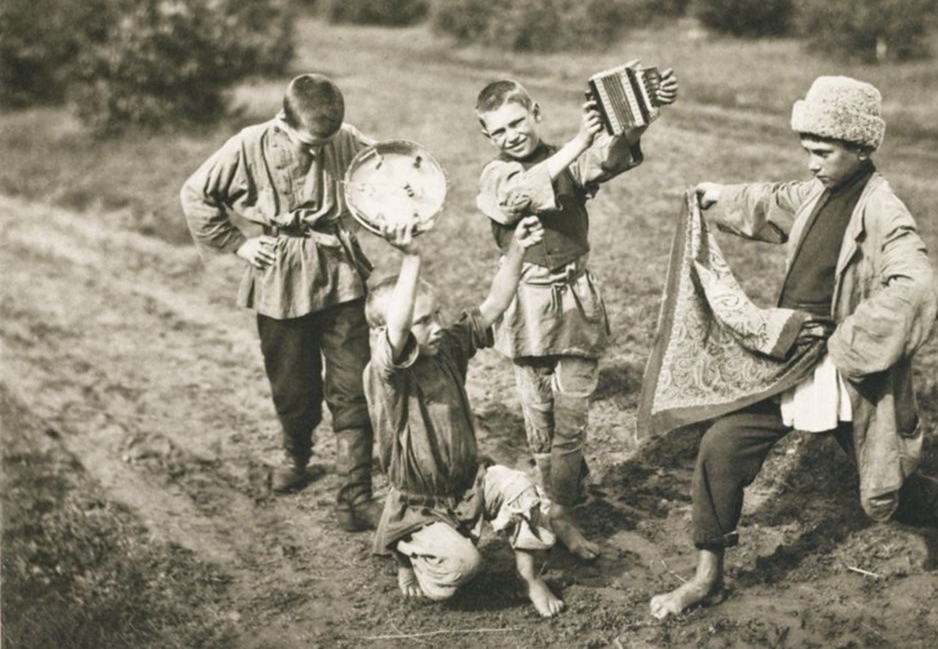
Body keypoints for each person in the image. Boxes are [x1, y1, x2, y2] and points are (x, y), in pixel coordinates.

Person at [650, 75, 938, 619]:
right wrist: (718, 198)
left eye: (823, 152)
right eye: (806, 150)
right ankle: (707, 575)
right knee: (722, 446)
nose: (811, 162)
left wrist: (845, 339)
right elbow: (773, 201)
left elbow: (916, 286)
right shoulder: (819, 190)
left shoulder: (884, 210)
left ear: (860, 148)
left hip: (845, 371)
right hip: (791, 363)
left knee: (891, 494)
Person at [475, 73, 678, 559]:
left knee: (572, 418)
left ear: (535, 112)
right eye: (499, 131)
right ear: (487, 137)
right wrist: (578, 141)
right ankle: (555, 493)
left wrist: (636, 123)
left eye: (518, 122)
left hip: (575, 302)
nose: (512, 136)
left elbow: (607, 160)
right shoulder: (495, 174)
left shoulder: (566, 159)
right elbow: (517, 197)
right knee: (538, 414)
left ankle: (561, 511)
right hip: (526, 306)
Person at [180, 73, 381, 532]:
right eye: (310, 143)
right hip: (279, 276)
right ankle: (297, 453)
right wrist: (238, 244)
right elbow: (196, 194)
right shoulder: (249, 144)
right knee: (293, 384)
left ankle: (356, 495)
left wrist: (398, 209)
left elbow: (386, 172)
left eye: (326, 142)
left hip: (340, 273)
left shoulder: (346, 140)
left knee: (354, 385)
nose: (319, 151)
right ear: (284, 123)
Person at [365, 215, 562, 617]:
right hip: (420, 503)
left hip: (468, 483)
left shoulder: (446, 348)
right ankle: (407, 549)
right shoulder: (387, 374)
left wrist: (518, 250)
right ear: (382, 333)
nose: (436, 326)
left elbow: (492, 306)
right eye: (424, 321)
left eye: (436, 315)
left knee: (523, 490)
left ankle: (531, 579)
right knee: (460, 569)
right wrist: (411, 257)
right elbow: (397, 328)